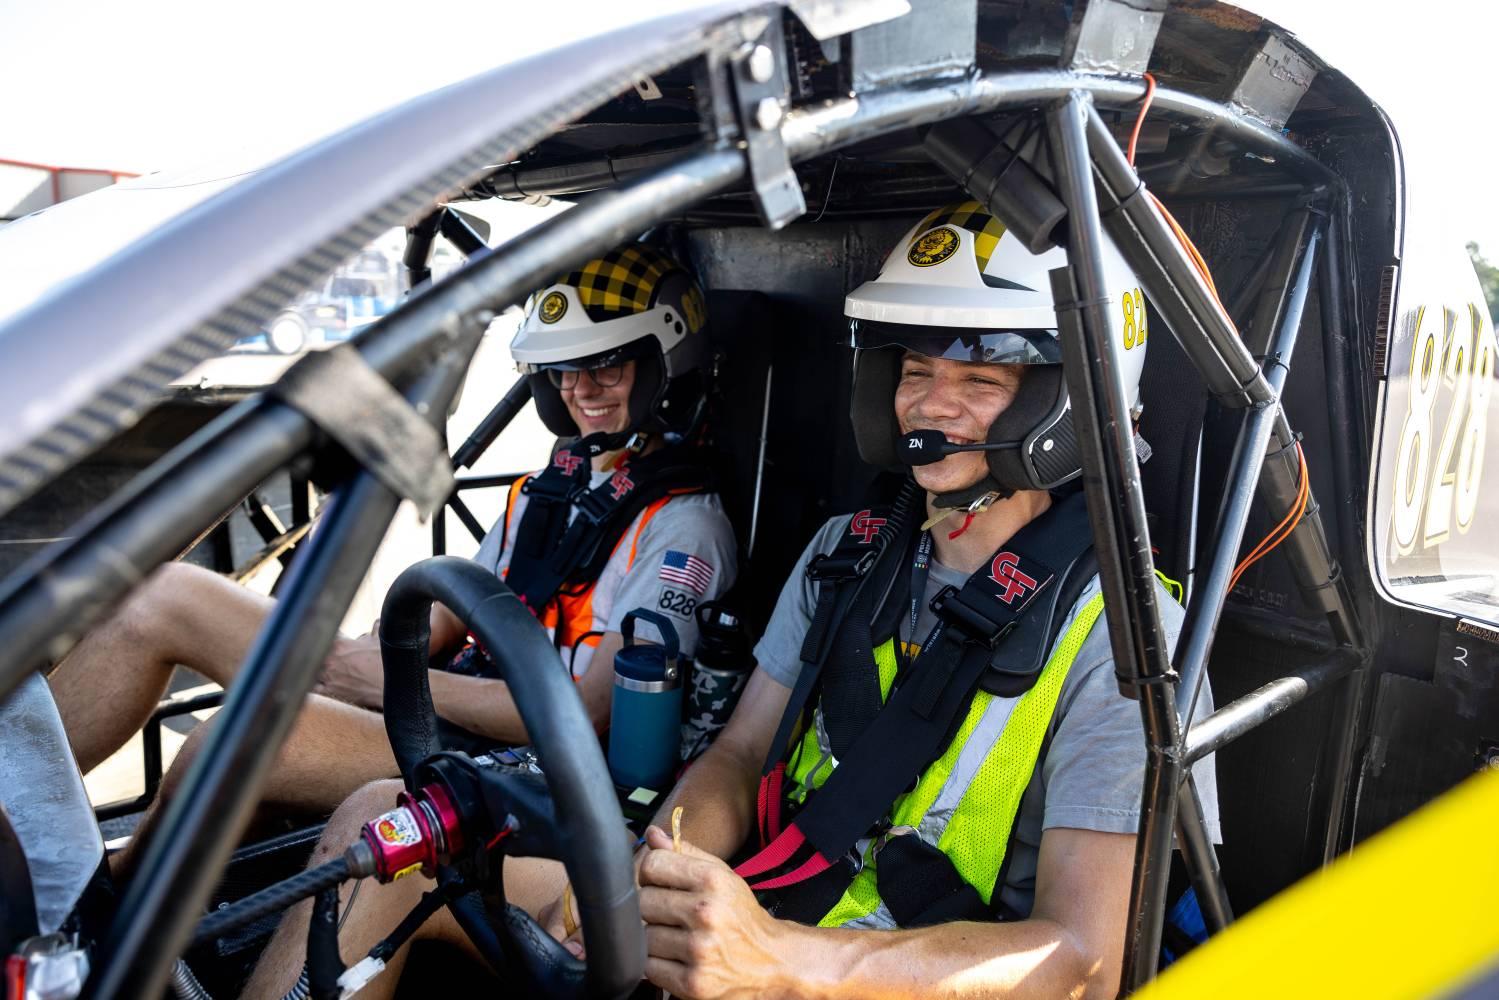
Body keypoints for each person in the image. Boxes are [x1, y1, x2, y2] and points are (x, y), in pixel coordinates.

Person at [244, 203, 1217, 1000]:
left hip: (882, 975)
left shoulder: (1127, 637)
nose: (931, 405)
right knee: (395, 823)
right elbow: (740, 752)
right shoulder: (852, 552)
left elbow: (1081, 958)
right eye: (915, 372)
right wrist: (655, 869)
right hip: (766, 914)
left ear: (1060, 403)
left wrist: (786, 962)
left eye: (980, 378)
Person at [46, 243, 737, 823]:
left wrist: (385, 682)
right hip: (447, 708)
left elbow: (587, 715)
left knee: (225, 744)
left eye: (606, 366)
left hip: (535, 762)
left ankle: (105, 904)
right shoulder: (553, 487)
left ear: (663, 367)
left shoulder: (685, 527)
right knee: (162, 595)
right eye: (563, 371)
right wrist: (373, 657)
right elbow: (454, 609)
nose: (581, 390)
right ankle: (25, 826)